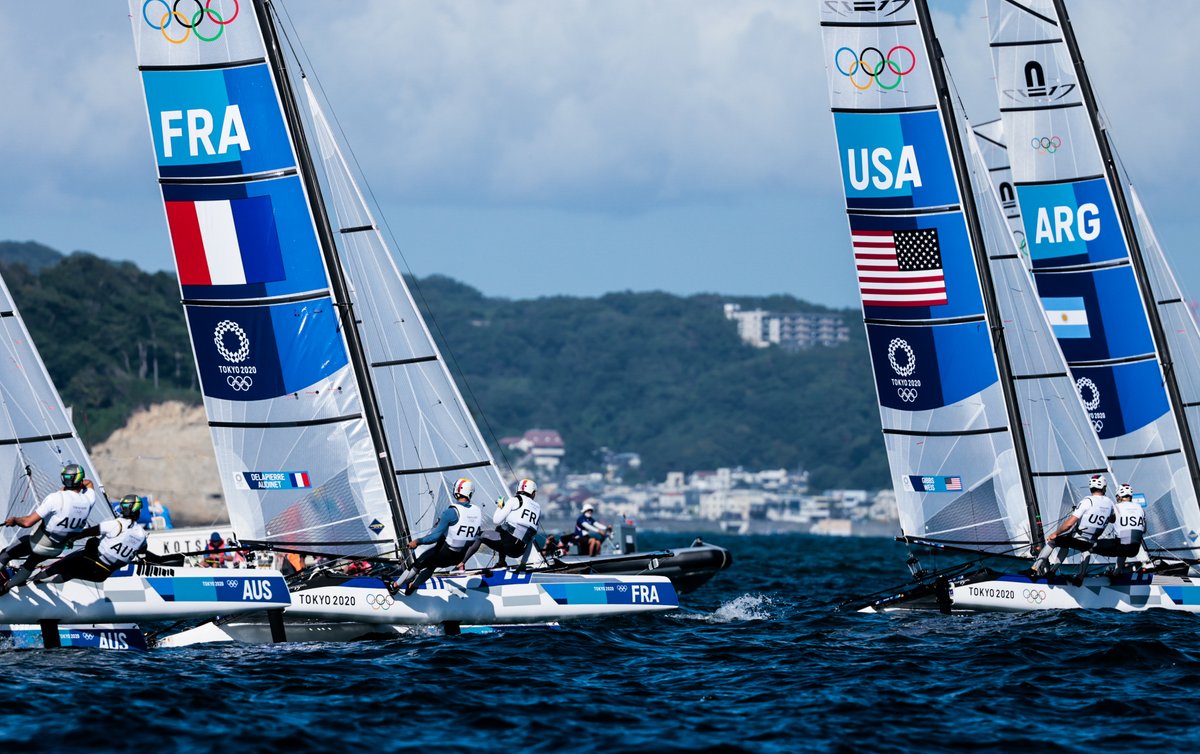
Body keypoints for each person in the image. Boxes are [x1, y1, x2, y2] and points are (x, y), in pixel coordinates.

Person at [0, 464, 98, 595]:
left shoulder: (55, 498)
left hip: (39, 543)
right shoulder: (89, 500)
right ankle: (6, 587)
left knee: (6, 553)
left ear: (63, 479)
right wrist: (76, 484)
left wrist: (15, 520)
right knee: (30, 563)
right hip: (56, 549)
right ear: (80, 480)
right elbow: (90, 483)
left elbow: (28, 522)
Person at [387, 478, 483, 597]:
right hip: (459, 557)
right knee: (432, 565)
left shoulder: (451, 512)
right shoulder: (477, 511)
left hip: (445, 553)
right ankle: (413, 586)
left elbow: (434, 538)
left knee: (418, 564)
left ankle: (394, 586)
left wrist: (417, 541)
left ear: (457, 491)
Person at [29, 494, 149, 588]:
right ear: (138, 511)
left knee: (85, 548)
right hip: (102, 575)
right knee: (72, 573)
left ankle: (32, 580)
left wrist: (69, 539)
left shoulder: (115, 524)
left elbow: (86, 533)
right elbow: (142, 551)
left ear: (123, 508)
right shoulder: (142, 534)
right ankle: (44, 582)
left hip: (89, 564)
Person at [1030, 475, 1115, 577]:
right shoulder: (1110, 503)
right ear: (1104, 487)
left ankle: (1035, 569)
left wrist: (1055, 533)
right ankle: (1080, 576)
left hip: (1078, 539)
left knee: (1053, 541)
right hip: (1091, 542)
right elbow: (1113, 519)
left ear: (1091, 487)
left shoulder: (1087, 501)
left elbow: (1069, 524)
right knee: (1085, 548)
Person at [459, 478, 542, 570]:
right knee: (504, 530)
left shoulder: (514, 500)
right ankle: (501, 562)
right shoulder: (538, 508)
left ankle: (461, 564)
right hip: (519, 551)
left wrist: (500, 506)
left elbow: (496, 520)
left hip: (508, 544)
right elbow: (530, 538)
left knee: (480, 535)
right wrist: (523, 563)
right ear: (533, 492)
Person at [1090, 483, 1148, 576]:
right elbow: (1144, 530)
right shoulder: (1140, 509)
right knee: (1124, 542)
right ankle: (1116, 572)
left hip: (1122, 547)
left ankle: (1081, 575)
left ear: (1118, 496)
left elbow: (1106, 520)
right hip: (1134, 550)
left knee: (1088, 546)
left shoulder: (1116, 507)